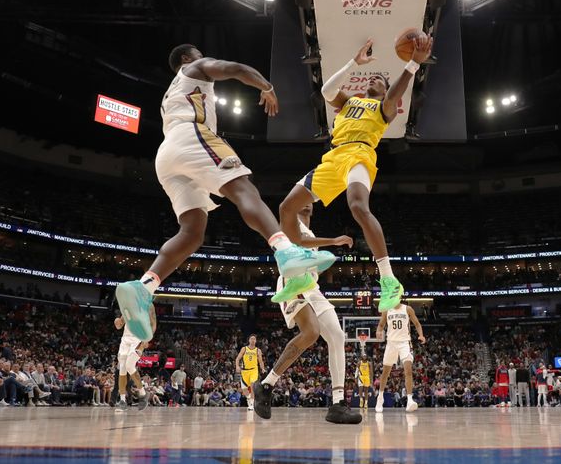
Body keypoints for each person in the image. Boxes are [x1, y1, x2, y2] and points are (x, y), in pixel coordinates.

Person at [114, 44, 335, 340]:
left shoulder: (170, 93)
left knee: (192, 232)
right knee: (243, 188)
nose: (203, 55)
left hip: (167, 155)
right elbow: (235, 69)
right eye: (198, 52)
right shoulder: (194, 68)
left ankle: (144, 286)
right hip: (192, 135)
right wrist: (267, 87)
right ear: (185, 58)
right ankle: (286, 251)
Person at [277, 36, 433, 310]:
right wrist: (353, 63)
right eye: (371, 77)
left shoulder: (383, 108)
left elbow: (396, 94)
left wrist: (412, 65)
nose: (373, 79)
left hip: (359, 155)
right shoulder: (349, 102)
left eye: (379, 80)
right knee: (287, 208)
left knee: (358, 208)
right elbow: (326, 90)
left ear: (384, 91)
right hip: (333, 158)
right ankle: (299, 275)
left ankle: (388, 279)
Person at [253, 203, 361, 424]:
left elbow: (309, 250)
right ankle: (266, 384)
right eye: (302, 196)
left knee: (337, 337)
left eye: (311, 198)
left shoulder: (309, 230)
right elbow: (299, 242)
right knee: (311, 332)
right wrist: (333, 241)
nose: (307, 201)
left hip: (312, 286)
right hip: (293, 283)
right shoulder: (290, 219)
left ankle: (337, 404)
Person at [374, 301, 426, 413]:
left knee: (408, 370)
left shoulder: (407, 309)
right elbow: (381, 325)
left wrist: (421, 335)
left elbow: (417, 323)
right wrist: (378, 331)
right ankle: (380, 397)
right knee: (385, 373)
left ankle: (410, 400)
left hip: (405, 342)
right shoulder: (386, 310)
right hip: (391, 343)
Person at [114, 304, 155, 412]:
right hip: (125, 339)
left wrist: (146, 340)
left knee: (129, 365)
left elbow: (153, 325)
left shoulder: (148, 305)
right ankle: (122, 400)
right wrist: (117, 321)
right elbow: (120, 325)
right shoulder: (127, 305)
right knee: (122, 368)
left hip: (138, 338)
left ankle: (142, 393)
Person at [236, 335, 265, 411]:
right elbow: (238, 358)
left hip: (254, 370)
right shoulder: (244, 349)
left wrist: (262, 369)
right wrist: (237, 366)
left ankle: (252, 404)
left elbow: (261, 361)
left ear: (256, 341)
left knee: (252, 385)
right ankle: (249, 398)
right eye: (251, 339)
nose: (253, 340)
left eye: (254, 339)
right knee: (244, 389)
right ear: (249, 340)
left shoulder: (258, 350)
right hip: (245, 371)